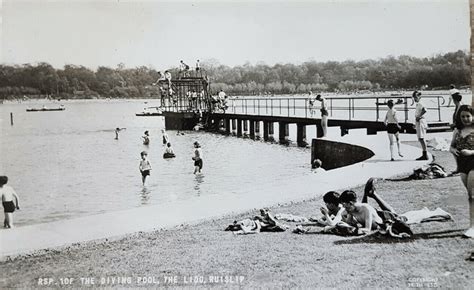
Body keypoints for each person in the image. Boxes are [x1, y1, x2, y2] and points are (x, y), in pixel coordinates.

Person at [449, 105, 474, 238]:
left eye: (468, 116)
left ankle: (472, 227)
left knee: (472, 196)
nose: (465, 119)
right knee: (470, 195)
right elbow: (451, 146)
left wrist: (470, 152)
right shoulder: (457, 131)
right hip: (462, 164)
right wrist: (454, 150)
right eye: (463, 116)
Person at [413, 91, 428, 160]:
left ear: (419, 97)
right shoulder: (418, 104)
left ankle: (425, 154)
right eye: (414, 97)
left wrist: (419, 116)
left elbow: (424, 110)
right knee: (420, 138)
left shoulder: (420, 103)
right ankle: (424, 154)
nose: (415, 99)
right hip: (419, 121)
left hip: (421, 121)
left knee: (421, 138)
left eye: (416, 97)